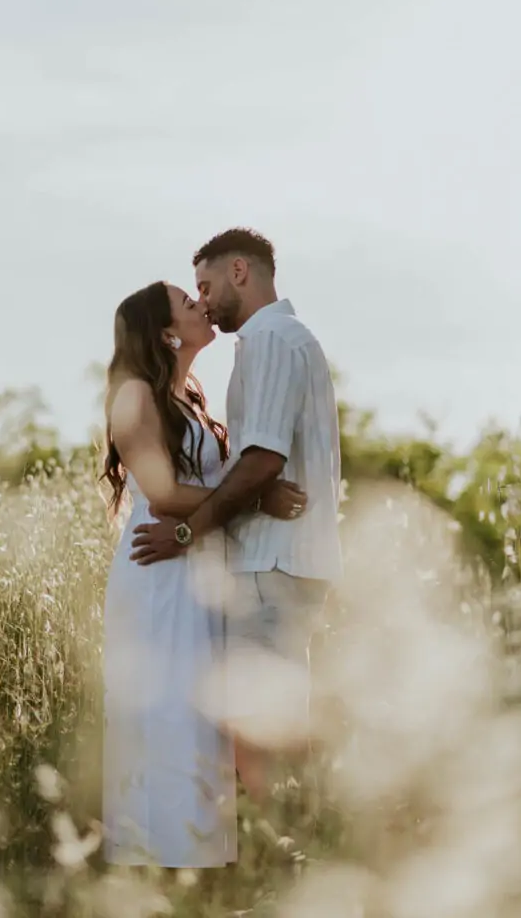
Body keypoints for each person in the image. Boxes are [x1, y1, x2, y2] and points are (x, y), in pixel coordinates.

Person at [101, 279, 307, 867]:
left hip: (198, 571)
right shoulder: (135, 396)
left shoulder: (188, 396)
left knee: (201, 713)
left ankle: (201, 862)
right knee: (166, 709)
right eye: (187, 304)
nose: (201, 306)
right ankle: (154, 861)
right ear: (167, 331)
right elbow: (163, 494)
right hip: (159, 577)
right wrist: (255, 497)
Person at [130, 230, 343, 799]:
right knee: (259, 725)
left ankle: (276, 860)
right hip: (280, 560)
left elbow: (262, 461)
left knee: (258, 729)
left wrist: (185, 530)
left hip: (273, 558)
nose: (203, 299)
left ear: (240, 272)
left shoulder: (272, 340)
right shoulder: (279, 341)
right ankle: (268, 852)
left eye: (206, 284)